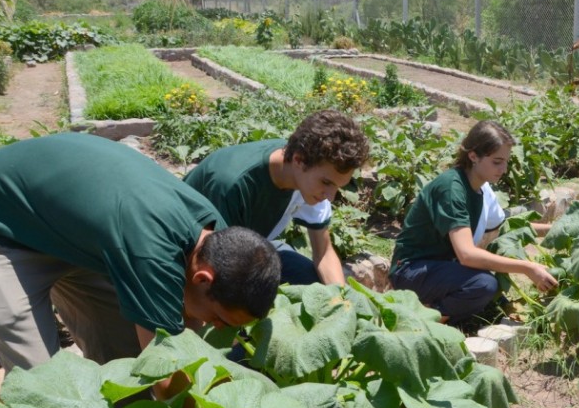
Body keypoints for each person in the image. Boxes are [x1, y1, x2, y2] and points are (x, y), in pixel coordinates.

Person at [0, 132, 281, 372]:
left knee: (125, 355)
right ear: (203, 277)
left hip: (72, 227)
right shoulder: (152, 254)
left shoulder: (217, 236)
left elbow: (177, 338)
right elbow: (163, 374)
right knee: (41, 382)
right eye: (220, 319)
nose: (218, 328)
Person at [390, 120, 558, 327]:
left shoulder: (481, 188)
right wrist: (527, 268)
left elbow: (503, 228)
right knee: (483, 285)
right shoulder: (452, 188)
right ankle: (422, 322)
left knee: (485, 291)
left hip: (441, 268)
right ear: (473, 156)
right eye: (497, 162)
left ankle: (435, 312)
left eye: (506, 161)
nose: (504, 169)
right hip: (410, 270)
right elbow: (467, 254)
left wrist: (555, 230)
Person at [183, 110, 369, 286]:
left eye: (338, 186)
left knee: (311, 280)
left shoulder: (308, 175)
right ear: (298, 160)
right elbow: (210, 266)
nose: (330, 196)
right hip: (192, 258)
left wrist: (342, 302)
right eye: (327, 183)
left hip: (245, 250)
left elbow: (324, 253)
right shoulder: (233, 184)